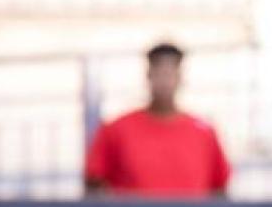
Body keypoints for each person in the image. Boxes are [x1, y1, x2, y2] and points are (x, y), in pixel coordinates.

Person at [84, 42, 231, 197]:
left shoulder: (204, 133)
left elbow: (220, 188)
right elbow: (94, 183)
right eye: (159, 71)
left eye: (170, 72)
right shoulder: (116, 129)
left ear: (180, 77)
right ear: (149, 75)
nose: (165, 80)